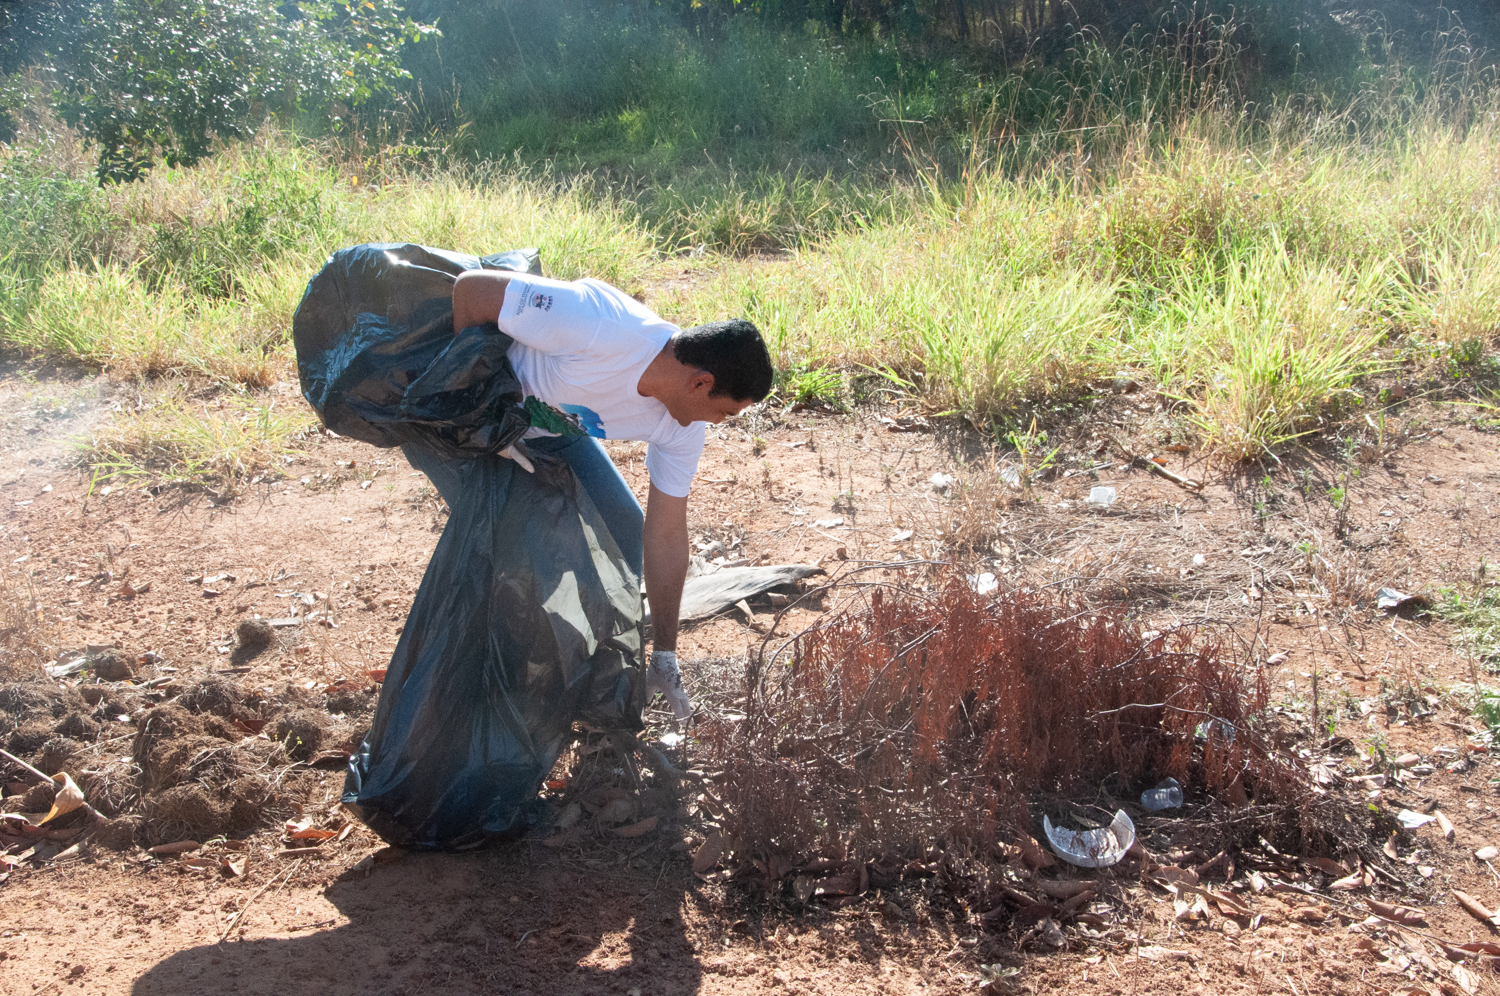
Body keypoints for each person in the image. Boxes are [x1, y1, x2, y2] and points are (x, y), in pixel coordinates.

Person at [410, 268, 773, 720]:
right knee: (520, 557)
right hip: (465, 419)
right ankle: (490, 697)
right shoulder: (598, 325)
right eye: (724, 411)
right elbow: (471, 291)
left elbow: (664, 535)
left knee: (621, 535)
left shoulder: (684, 426)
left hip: (551, 427)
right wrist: (483, 415)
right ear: (699, 382)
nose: (719, 422)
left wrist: (666, 652)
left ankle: (582, 682)